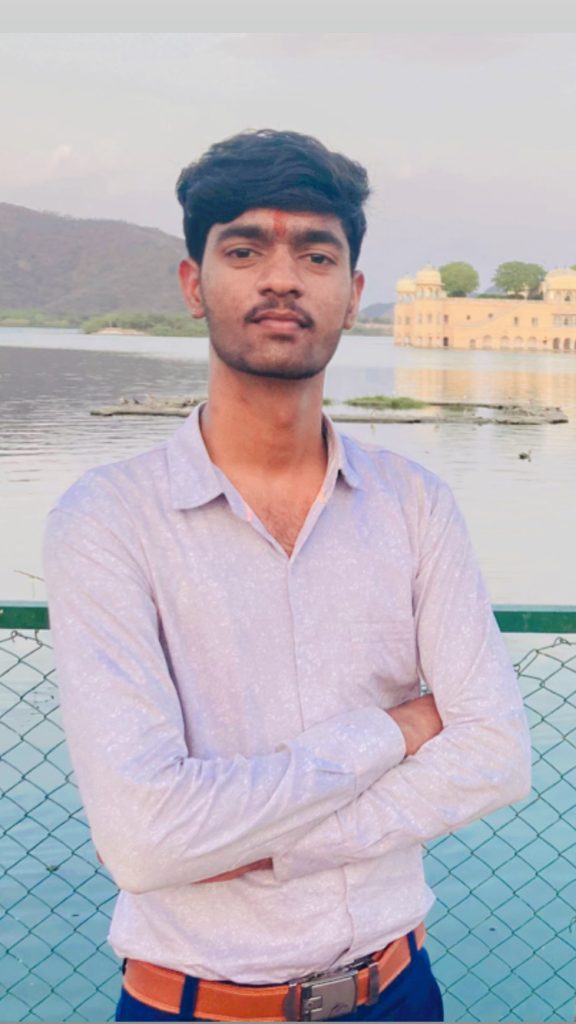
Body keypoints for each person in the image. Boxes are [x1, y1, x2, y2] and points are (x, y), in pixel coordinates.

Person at [44, 129, 531, 1023]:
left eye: (315, 254)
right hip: (191, 1005)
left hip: (396, 992)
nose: (281, 278)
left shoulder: (415, 506)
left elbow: (495, 756)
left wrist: (267, 846)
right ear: (194, 284)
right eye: (244, 251)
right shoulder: (109, 521)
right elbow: (146, 839)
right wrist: (395, 729)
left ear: (352, 294)